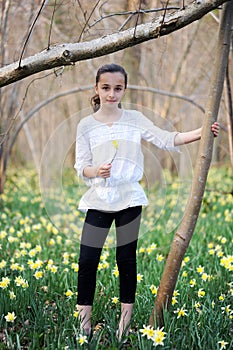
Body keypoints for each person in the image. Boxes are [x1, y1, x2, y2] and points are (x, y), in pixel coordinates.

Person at [74, 63, 219, 341]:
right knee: (87, 259)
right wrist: (97, 172)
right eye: (106, 88)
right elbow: (82, 166)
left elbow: (166, 139)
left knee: (125, 259)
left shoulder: (135, 119)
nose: (112, 94)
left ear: (124, 89)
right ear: (96, 89)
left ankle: (124, 325)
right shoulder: (86, 125)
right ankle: (84, 325)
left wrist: (201, 131)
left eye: (118, 88)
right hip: (99, 199)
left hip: (129, 199)